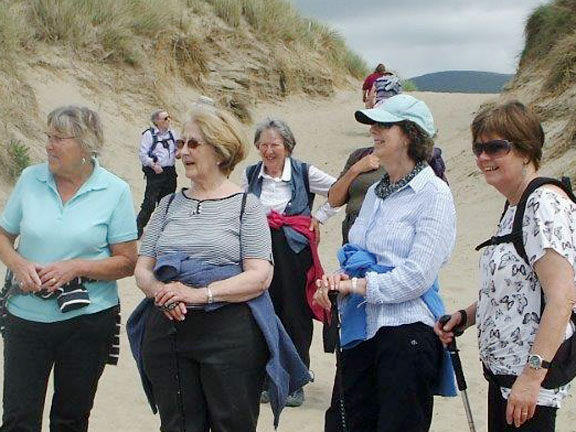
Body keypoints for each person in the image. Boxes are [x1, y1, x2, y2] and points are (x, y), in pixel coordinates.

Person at [134, 106, 309, 432]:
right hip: (169, 331)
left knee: (233, 425)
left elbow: (259, 276)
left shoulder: (247, 206)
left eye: (193, 144)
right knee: (178, 426)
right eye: (182, 143)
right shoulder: (167, 205)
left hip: (230, 335)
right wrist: (163, 293)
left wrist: (199, 294)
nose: (183, 151)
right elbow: (143, 268)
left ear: (220, 151)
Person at [315, 94, 457, 432]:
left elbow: (418, 275)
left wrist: (356, 286)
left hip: (408, 332)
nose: (374, 132)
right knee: (343, 424)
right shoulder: (379, 190)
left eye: (384, 125)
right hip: (362, 328)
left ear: (409, 134)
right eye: (373, 125)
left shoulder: (434, 194)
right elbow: (357, 252)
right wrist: (337, 281)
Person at [435, 101, 576, 432]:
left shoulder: (544, 204)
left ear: (525, 150)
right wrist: (466, 317)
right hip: (506, 378)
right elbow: (517, 288)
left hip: (530, 385)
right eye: (478, 148)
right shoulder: (515, 204)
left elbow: (562, 298)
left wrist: (531, 377)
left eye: (495, 147)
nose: (483, 157)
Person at [0, 105, 138, 432]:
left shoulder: (115, 190)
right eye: (49, 137)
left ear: (86, 145)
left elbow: (127, 262)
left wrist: (75, 267)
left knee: (71, 419)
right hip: (26, 318)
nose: (48, 145)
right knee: (17, 419)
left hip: (88, 322)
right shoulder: (30, 178)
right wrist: (18, 264)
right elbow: (3, 235)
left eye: (59, 138)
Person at [243, 118, 339, 407]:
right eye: (263, 145)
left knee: (295, 314)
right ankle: (265, 380)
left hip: (295, 254)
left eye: (275, 145)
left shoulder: (303, 171)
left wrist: (318, 217)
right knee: (262, 312)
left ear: (287, 146)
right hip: (260, 252)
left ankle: (296, 382)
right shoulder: (251, 175)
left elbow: (339, 190)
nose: (269, 151)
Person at [136, 109, 179, 238]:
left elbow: (177, 148)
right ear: (157, 121)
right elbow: (143, 154)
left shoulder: (172, 134)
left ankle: (161, 231)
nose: (168, 121)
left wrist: (179, 153)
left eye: (169, 117)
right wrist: (153, 165)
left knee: (166, 203)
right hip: (155, 173)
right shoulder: (149, 135)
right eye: (165, 119)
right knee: (149, 202)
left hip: (170, 172)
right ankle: (138, 229)